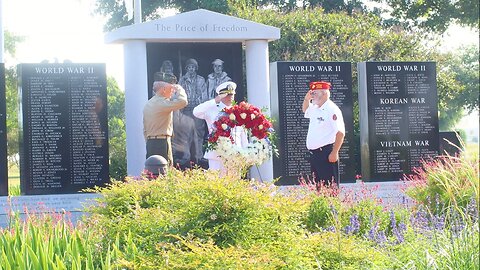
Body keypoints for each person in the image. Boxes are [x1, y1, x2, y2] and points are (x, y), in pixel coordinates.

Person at [193, 81, 247, 172]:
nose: (231, 97)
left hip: (235, 154)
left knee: (234, 184)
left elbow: (242, 134)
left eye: (232, 94)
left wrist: (245, 151)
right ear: (221, 96)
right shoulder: (212, 109)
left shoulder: (238, 111)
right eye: (227, 95)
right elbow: (196, 112)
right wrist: (215, 101)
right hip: (217, 155)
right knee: (217, 183)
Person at [302, 81, 345, 185]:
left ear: (324, 94)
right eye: (312, 93)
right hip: (315, 154)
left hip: (326, 153)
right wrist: (307, 99)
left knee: (330, 187)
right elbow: (305, 110)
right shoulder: (316, 107)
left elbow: (340, 132)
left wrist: (334, 152)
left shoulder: (332, 109)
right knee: (318, 187)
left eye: (315, 93)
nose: (313, 96)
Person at [143, 76, 188, 165]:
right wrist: (180, 89)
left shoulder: (148, 104)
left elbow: (144, 129)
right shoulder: (162, 103)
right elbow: (183, 102)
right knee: (165, 172)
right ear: (164, 89)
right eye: (171, 88)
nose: (172, 91)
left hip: (150, 144)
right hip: (162, 143)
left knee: (151, 172)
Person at [174, 58, 207, 168]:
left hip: (197, 110)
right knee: (186, 134)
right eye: (189, 67)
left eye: (193, 67)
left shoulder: (201, 80)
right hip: (186, 110)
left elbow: (204, 95)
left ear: (196, 68)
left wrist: (199, 104)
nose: (191, 69)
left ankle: (199, 156)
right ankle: (187, 157)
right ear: (187, 68)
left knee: (198, 133)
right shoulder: (182, 80)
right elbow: (178, 94)